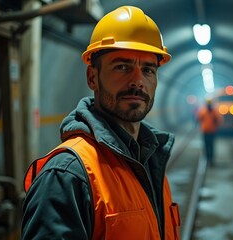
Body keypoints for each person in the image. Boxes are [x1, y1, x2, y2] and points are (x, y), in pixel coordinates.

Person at [22, 6, 180, 240]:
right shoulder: (67, 175)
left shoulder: (150, 159)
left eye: (148, 70)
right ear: (92, 77)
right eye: (122, 67)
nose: (137, 81)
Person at [197, 99, 222, 166]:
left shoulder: (213, 111)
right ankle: (208, 159)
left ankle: (210, 159)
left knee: (211, 145)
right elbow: (199, 118)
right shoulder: (203, 111)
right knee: (207, 145)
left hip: (211, 131)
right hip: (205, 131)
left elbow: (219, 120)